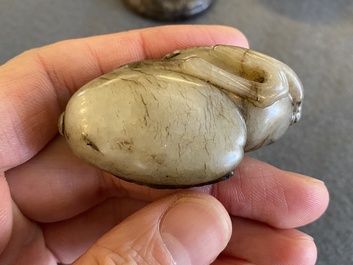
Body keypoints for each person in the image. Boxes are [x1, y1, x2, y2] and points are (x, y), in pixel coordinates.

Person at [0, 25, 329, 265]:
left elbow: (188, 64)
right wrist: (259, 90)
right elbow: (190, 65)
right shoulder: (232, 133)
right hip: (130, 109)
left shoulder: (246, 118)